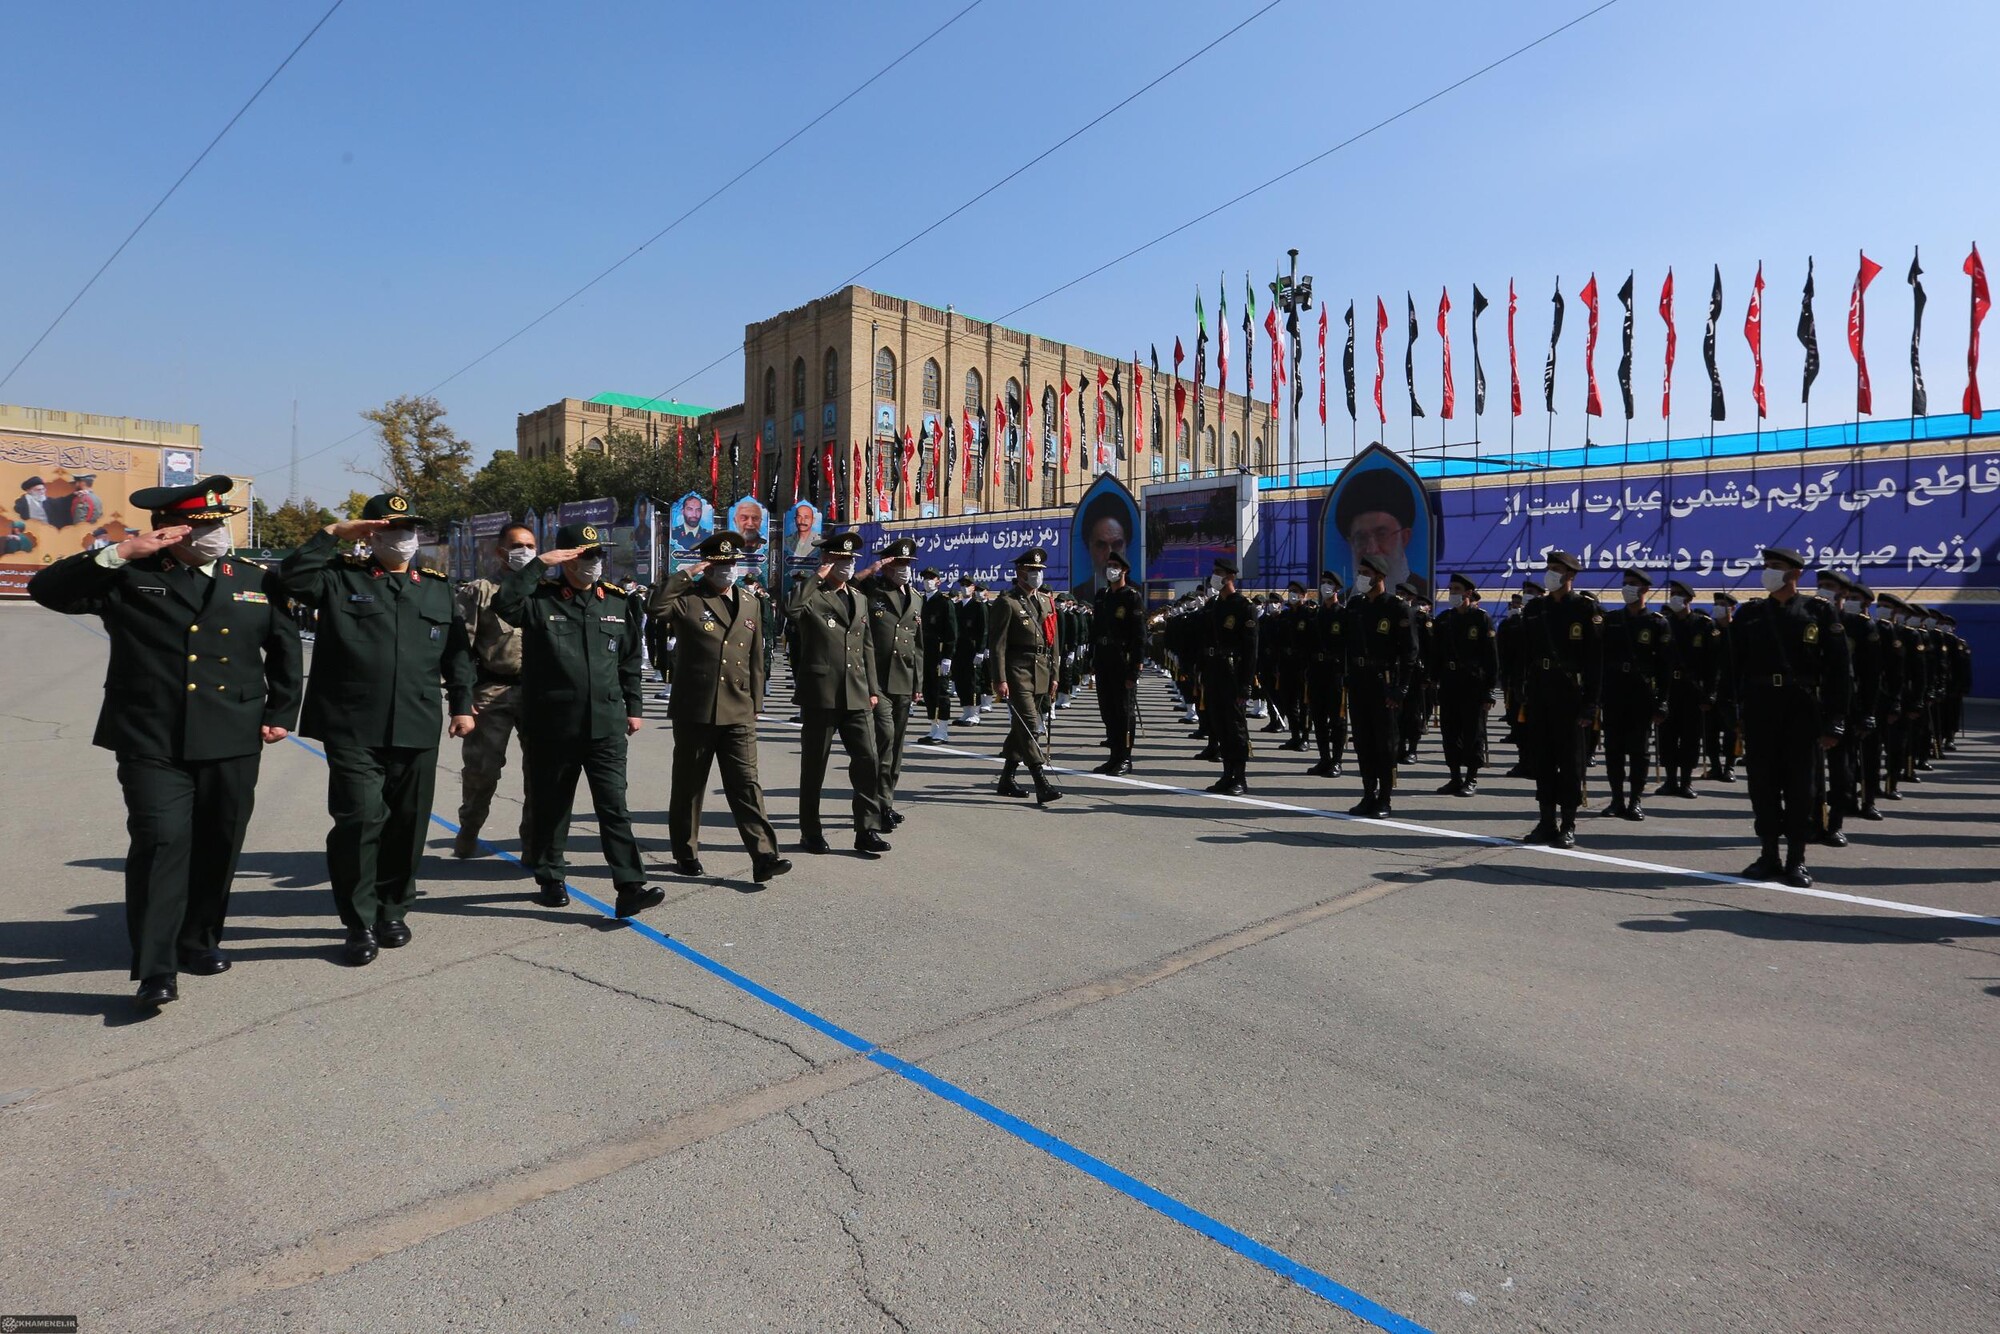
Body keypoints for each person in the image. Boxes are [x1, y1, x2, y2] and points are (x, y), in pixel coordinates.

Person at [27, 476, 301, 1008]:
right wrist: (122, 551)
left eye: (220, 523)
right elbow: (47, 590)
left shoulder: (252, 578)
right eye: (204, 525)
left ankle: (199, 939)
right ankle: (156, 967)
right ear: (171, 530)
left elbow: (284, 646)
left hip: (233, 731)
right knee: (161, 841)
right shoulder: (128, 574)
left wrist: (281, 711)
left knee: (220, 842)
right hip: (151, 734)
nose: (217, 533)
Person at [279, 493, 476, 965]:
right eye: (390, 528)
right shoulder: (338, 577)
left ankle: (393, 909)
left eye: (409, 528)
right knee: (360, 821)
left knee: (408, 824)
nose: (403, 536)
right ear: (370, 533)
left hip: (417, 721)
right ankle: (358, 921)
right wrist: (330, 534)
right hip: (352, 724)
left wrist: (462, 705)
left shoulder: (436, 588)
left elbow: (456, 653)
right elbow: (290, 579)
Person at [493, 522, 664, 917]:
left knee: (614, 806)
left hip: (605, 723)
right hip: (553, 724)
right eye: (586, 555)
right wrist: (540, 563)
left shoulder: (617, 602)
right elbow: (505, 603)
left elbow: (628, 661)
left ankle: (630, 886)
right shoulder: (540, 599)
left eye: (598, 554)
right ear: (567, 559)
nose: (594, 561)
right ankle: (551, 876)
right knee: (553, 806)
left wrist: (634, 708)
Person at [646, 532, 791, 882]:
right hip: (697, 708)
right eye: (722, 564)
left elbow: (756, 655)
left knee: (746, 784)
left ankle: (764, 856)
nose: (729, 569)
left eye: (733, 563)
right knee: (690, 785)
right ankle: (685, 851)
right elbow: (656, 607)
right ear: (708, 566)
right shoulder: (689, 599)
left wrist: (757, 701)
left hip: (739, 708)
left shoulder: (750, 601)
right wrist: (687, 573)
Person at [1731, 547, 1849, 886]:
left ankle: (1797, 859)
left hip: (1801, 710)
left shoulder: (1818, 612)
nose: (1768, 571)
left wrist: (1835, 720)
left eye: (1776, 566)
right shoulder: (1750, 613)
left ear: (1795, 573)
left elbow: (1839, 670)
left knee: (1801, 789)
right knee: (1762, 786)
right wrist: (1733, 713)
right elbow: (1733, 666)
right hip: (1760, 708)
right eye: (1766, 566)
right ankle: (1768, 855)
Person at [787, 531, 892, 854]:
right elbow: (791, 610)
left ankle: (867, 829)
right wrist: (816, 577)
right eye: (840, 560)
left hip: (857, 692)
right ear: (826, 561)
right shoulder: (812, 595)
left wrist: (873, 689)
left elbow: (866, 646)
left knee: (868, 760)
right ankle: (810, 831)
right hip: (822, 693)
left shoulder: (858, 597)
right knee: (814, 766)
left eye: (850, 560)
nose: (847, 565)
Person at [452, 522, 537, 858]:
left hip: (537, 694)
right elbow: (460, 647)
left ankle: (533, 843)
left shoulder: (544, 590)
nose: (525, 552)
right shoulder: (480, 591)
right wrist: (462, 698)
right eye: (517, 546)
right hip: (491, 691)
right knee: (482, 771)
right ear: (501, 552)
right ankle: (469, 829)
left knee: (540, 773)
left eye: (531, 546)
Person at [1516, 551, 1601, 849]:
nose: (1550, 574)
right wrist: (1524, 692)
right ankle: (1546, 821)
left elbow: (1595, 661)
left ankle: (1568, 823)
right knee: (1543, 760)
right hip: (1541, 692)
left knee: (1570, 763)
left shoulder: (1585, 609)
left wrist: (1591, 704)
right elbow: (1526, 653)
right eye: (1549, 568)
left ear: (1570, 575)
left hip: (1570, 695)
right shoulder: (1536, 608)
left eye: (1557, 569)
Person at [988, 547, 1064, 804]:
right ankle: (1040, 781)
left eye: (1039, 570)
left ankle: (1006, 779)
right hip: (1017, 671)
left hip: (1041, 671)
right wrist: (999, 678)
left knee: (1021, 727)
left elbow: (1053, 642)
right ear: (1020, 571)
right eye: (1032, 570)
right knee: (1031, 725)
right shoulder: (1007, 602)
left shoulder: (1046, 601)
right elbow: (997, 645)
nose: (1036, 574)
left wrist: (1055, 675)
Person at [1342, 556, 1415, 816]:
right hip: (1359, 681)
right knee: (1363, 741)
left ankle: (1385, 798)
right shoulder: (1355, 606)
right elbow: (1347, 645)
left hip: (1384, 682)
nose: (1361, 577)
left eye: (1366, 573)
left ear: (1381, 577)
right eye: (1360, 572)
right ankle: (1368, 794)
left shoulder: (1396, 608)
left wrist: (1401, 688)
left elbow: (1409, 653)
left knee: (1385, 743)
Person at [858, 538, 923, 826]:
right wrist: (869, 570)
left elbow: (918, 645)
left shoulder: (916, 597)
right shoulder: (872, 590)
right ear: (886, 566)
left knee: (896, 746)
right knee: (884, 741)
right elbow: (849, 587)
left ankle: (887, 800)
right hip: (877, 680)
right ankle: (879, 805)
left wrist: (918, 683)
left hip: (904, 680)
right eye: (899, 563)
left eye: (908, 563)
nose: (904, 568)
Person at [1598, 568, 1670, 820]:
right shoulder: (1612, 620)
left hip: (1641, 695)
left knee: (1639, 751)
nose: (1627, 588)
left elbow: (1665, 667)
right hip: (1614, 693)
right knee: (1613, 750)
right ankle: (1616, 799)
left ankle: (1635, 800)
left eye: (1632, 584)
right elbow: (1600, 658)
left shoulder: (1657, 623)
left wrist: (1662, 702)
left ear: (1645, 589)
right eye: (1625, 583)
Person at [1432, 574, 1499, 797]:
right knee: (1450, 733)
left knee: (1473, 733)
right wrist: (1433, 680)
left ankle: (1471, 778)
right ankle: (1455, 777)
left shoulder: (1481, 619)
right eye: (1450, 588)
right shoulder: (1444, 619)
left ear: (1468, 592)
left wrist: (1489, 690)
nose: (1452, 593)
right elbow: (1436, 654)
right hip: (1449, 683)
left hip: (1473, 684)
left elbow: (1491, 658)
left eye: (1456, 589)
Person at [1198, 560, 1258, 795]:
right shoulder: (1214, 605)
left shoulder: (1244, 606)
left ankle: (1240, 777)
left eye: (1219, 572)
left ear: (1231, 576)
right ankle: (1226, 774)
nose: (1214, 576)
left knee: (1235, 727)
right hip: (1214, 671)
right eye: (1214, 572)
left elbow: (1251, 649)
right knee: (1219, 725)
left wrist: (1245, 684)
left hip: (1233, 672)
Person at [1654, 580, 1718, 798]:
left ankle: (1686, 782)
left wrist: (1710, 693)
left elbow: (1713, 664)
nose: (1674, 597)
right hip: (1669, 688)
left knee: (1691, 737)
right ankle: (1670, 780)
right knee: (1668, 736)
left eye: (1679, 594)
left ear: (1689, 598)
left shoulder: (1703, 625)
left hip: (1693, 690)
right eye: (1672, 593)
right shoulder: (1664, 623)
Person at [1089, 549, 1145, 774]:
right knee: (1108, 711)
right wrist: (1092, 658)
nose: (1110, 569)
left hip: (1122, 660)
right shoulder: (1102, 596)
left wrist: (1135, 669)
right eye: (1109, 565)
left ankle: (1125, 758)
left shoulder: (1131, 597)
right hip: (1104, 659)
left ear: (1124, 571)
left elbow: (1139, 636)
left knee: (1124, 712)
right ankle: (1113, 756)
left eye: (1115, 566)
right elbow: (1095, 630)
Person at [1334, 466, 1418, 594]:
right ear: (1351, 543)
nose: (1371, 550)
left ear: (1404, 538)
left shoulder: (1421, 596)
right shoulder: (1345, 602)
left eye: (1381, 535)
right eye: (1361, 538)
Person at [1304, 571, 1349, 778]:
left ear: (1337, 588)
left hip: (1335, 672)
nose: (1325, 587)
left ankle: (1337, 760)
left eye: (1329, 583)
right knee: (1318, 717)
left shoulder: (1344, 615)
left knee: (1337, 719)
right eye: (1323, 583)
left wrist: (1346, 673)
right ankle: (1324, 758)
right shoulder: (1315, 615)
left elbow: (1349, 647)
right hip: (1316, 671)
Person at [1703, 590, 1741, 782]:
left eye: (1723, 605)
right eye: (1716, 604)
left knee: (1731, 731)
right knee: (1709, 731)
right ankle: (1715, 766)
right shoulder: (1710, 630)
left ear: (1732, 609)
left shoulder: (1738, 631)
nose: (1718, 608)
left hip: (1731, 688)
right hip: (1710, 688)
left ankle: (1729, 766)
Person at [918, 566, 959, 746]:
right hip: (924, 653)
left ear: (938, 582)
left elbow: (951, 632)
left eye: (931, 578)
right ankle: (933, 727)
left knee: (941, 693)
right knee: (928, 691)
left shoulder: (944, 602)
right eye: (925, 578)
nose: (928, 581)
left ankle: (943, 730)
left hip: (939, 654)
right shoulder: (921, 601)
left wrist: (947, 656)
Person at [1071, 498, 1134, 598]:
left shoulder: (1133, 596)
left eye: (1116, 545)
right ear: (1090, 547)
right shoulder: (1081, 594)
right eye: (1101, 545)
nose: (1109, 555)